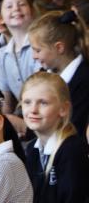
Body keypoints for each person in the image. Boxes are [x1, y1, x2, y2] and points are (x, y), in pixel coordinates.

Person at [22, 72, 89, 202]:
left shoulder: (71, 150)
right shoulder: (32, 149)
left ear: (63, 109)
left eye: (43, 103)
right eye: (27, 102)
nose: (33, 110)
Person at [28, 10, 89, 139]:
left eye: (38, 50)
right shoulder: (43, 75)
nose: (34, 56)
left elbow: (75, 126)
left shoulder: (84, 79)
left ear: (59, 47)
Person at [0, 0, 39, 132]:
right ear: (0, 17)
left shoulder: (41, 47)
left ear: (32, 10)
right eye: (9, 6)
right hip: (23, 118)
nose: (16, 9)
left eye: (22, 4)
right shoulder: (0, 55)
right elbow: (7, 101)